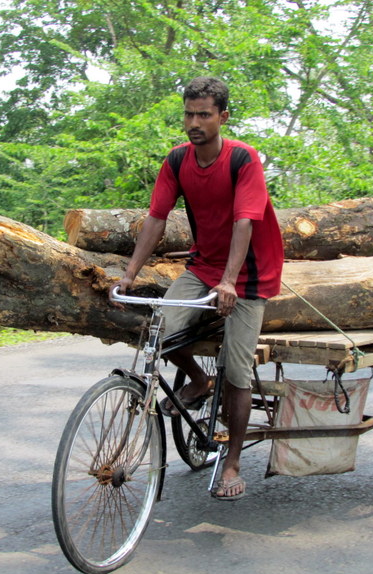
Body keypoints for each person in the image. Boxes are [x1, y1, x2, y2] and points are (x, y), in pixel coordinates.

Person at [117, 76, 284, 500]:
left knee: (237, 369)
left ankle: (231, 464)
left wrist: (230, 280)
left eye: (204, 114)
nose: (194, 122)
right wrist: (130, 274)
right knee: (159, 331)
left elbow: (245, 221)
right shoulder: (177, 161)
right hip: (204, 266)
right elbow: (156, 218)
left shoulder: (243, 159)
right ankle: (196, 380)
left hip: (247, 274)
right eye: (189, 114)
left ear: (222, 117)